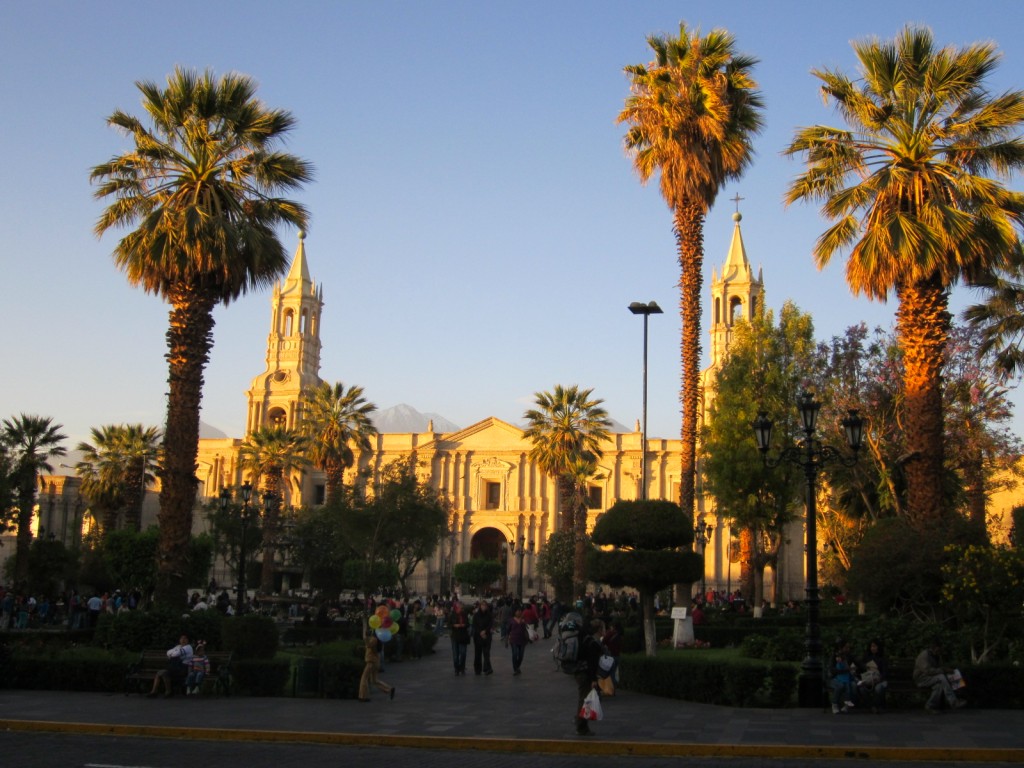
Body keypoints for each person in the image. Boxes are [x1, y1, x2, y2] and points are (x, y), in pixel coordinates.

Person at [914, 639, 966, 713]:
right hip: (922, 679)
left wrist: (949, 671)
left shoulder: (937, 656)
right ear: (934, 648)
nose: (940, 651)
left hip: (931, 678)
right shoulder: (924, 655)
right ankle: (953, 702)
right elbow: (928, 671)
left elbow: (939, 668)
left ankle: (930, 706)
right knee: (941, 677)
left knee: (940, 685)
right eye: (939, 649)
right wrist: (943, 670)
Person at [574, 619, 605, 736]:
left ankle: (581, 723)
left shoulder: (586, 639)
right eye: (603, 629)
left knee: (585, 699)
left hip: (580, 672)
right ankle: (580, 725)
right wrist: (593, 680)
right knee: (584, 700)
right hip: (584, 674)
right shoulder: (592, 643)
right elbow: (592, 663)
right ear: (599, 630)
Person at [358, 628, 395, 703]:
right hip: (375, 662)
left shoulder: (374, 640)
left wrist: (365, 637)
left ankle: (363, 696)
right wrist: (362, 647)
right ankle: (389, 689)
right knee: (374, 680)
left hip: (371, 662)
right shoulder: (376, 640)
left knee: (364, 678)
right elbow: (369, 647)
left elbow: (368, 644)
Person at [859, 638, 889, 713]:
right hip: (869, 679)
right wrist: (865, 666)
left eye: (875, 646)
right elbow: (861, 666)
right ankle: (871, 706)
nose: (873, 648)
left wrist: (879, 678)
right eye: (871, 646)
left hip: (879, 679)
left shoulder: (882, 658)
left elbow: (885, 672)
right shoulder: (867, 656)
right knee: (862, 689)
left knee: (878, 688)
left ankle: (875, 706)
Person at [827, 639, 857, 714]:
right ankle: (835, 704)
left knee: (853, 685)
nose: (848, 649)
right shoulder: (834, 656)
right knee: (840, 685)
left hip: (847, 678)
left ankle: (846, 705)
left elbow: (858, 663)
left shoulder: (849, 656)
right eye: (846, 647)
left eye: (848, 647)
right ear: (841, 648)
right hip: (835, 678)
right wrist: (846, 670)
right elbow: (832, 670)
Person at [472, 599, 494, 675]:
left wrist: (485, 631)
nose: (484, 607)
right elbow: (474, 625)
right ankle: (477, 669)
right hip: (478, 636)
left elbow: (490, 624)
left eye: (485, 605)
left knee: (486, 653)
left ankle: (487, 668)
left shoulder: (489, 615)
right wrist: (480, 632)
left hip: (487, 636)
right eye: (482, 605)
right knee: (478, 653)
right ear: (480, 606)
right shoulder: (476, 615)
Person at [448, 601, 470, 675]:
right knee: (455, 654)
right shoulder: (452, 615)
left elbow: (468, 623)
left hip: (463, 635)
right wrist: (454, 625)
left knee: (463, 653)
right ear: (456, 607)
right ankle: (457, 669)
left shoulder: (464, 614)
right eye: (459, 606)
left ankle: (462, 667)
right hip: (455, 636)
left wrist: (464, 625)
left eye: (461, 606)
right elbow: (449, 624)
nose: (461, 608)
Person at [507, 607, 529, 676]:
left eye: (520, 611)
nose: (519, 612)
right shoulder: (511, 620)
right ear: (514, 612)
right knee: (515, 654)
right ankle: (515, 669)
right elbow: (508, 631)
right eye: (517, 611)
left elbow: (525, 630)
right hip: (513, 639)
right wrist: (506, 640)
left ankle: (518, 666)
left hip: (522, 640)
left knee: (521, 655)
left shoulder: (523, 620)